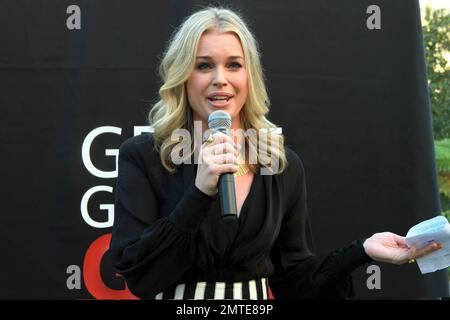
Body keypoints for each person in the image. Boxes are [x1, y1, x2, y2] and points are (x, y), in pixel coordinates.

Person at [109, 6, 442, 300]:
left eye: (234, 65)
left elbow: (296, 282)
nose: (220, 79)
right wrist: (198, 194)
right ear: (183, 75)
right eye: (204, 66)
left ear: (249, 76)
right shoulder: (146, 157)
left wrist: (361, 252)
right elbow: (139, 276)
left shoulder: (280, 164)